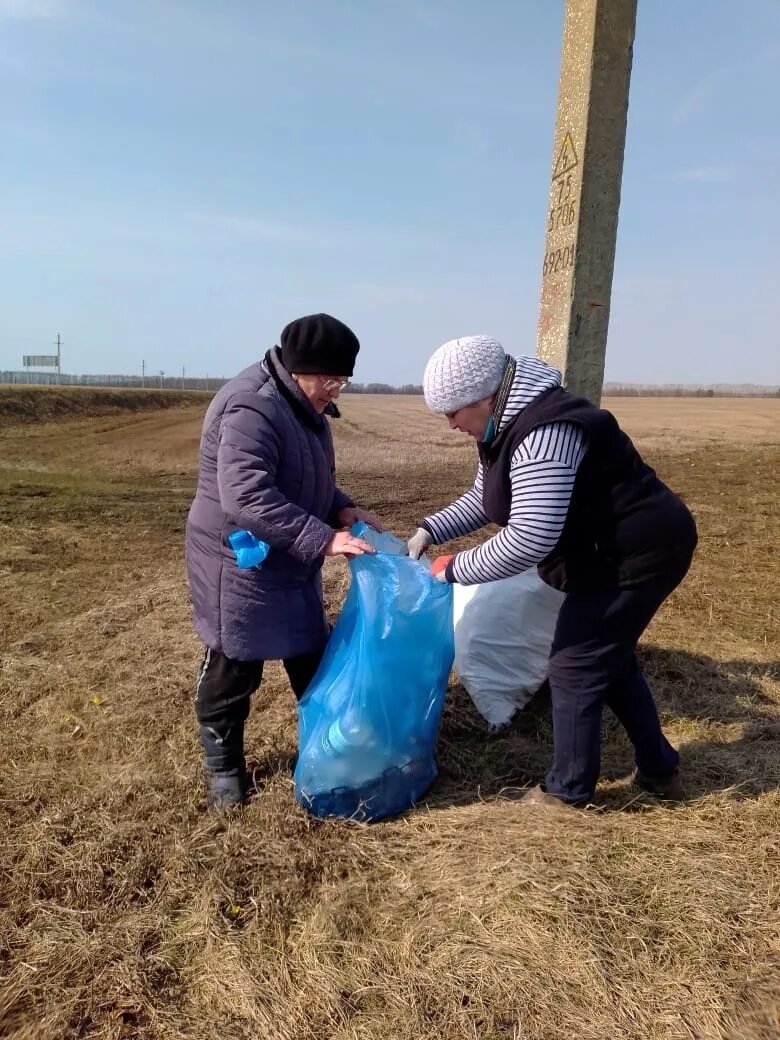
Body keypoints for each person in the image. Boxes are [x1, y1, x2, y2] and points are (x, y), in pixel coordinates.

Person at [407, 335, 698, 809]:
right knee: (611, 657)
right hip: (605, 552)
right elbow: (488, 497)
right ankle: (660, 770)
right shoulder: (502, 428)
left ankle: (567, 793)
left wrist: (454, 570)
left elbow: (529, 539)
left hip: (638, 552)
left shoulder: (545, 432)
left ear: (482, 398)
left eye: (452, 413)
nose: (450, 425)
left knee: (575, 663)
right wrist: (429, 530)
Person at [185, 313, 381, 809]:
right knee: (236, 664)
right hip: (241, 560)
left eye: (343, 381)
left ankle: (326, 752)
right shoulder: (252, 407)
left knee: (311, 657)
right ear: (298, 368)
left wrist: (340, 505)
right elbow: (247, 497)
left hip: (291, 554)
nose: (335, 390)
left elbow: (304, 472)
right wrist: (324, 539)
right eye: (329, 379)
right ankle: (224, 768)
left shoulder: (304, 404)